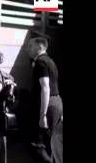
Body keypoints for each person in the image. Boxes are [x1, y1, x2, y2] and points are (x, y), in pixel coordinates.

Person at [26, 34, 63, 163]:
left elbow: (46, 88)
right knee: (51, 145)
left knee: (41, 145)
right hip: (55, 103)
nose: (27, 49)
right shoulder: (49, 60)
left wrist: (43, 115)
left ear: (39, 47)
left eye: (30, 46)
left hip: (48, 106)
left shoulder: (41, 62)